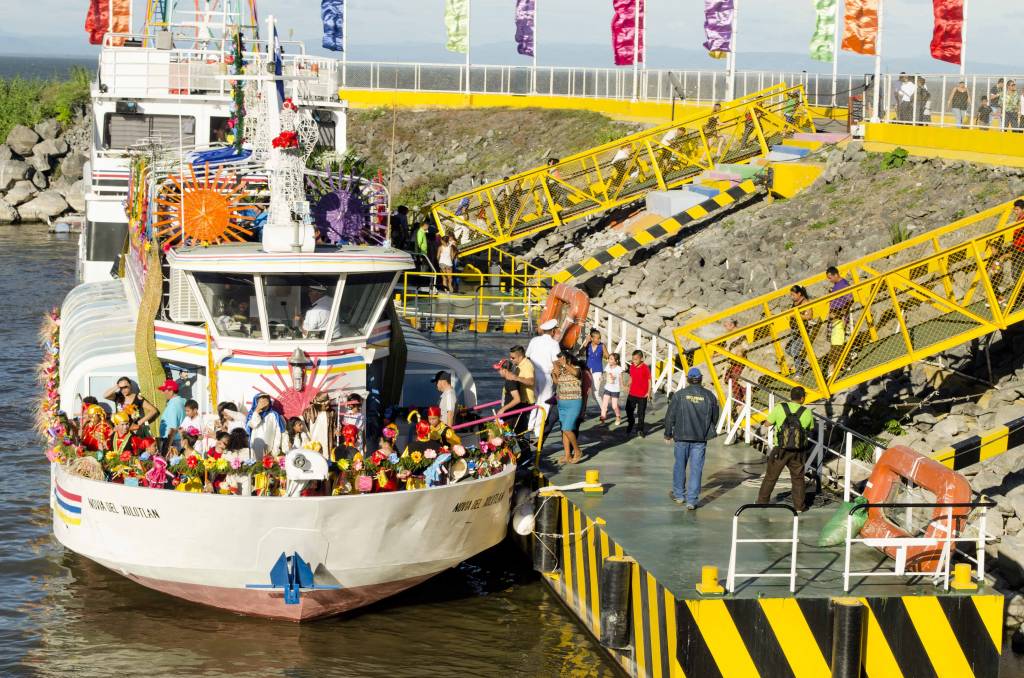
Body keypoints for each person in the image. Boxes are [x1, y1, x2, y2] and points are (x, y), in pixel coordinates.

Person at [664, 368, 720, 509]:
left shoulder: (679, 395)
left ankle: (679, 495)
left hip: (682, 436)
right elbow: (715, 417)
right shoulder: (710, 396)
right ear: (701, 379)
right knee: (696, 469)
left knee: (679, 466)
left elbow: (670, 416)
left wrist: (668, 433)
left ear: (688, 379)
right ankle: (692, 501)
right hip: (700, 438)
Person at [756, 386, 815, 512]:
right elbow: (810, 429)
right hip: (798, 452)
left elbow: (767, 424)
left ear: (790, 396)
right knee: (798, 478)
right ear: (802, 398)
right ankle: (799, 507)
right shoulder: (807, 412)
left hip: (780, 450)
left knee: (771, 476)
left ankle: (762, 502)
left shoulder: (779, 408)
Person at [526, 319, 562, 438]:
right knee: (545, 403)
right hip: (546, 376)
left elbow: (528, 357)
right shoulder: (554, 344)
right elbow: (556, 362)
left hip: (532, 374)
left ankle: (530, 425)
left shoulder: (534, 340)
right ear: (552, 331)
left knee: (534, 400)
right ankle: (538, 430)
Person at [499, 345, 536, 454]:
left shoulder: (527, 365)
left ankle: (525, 454)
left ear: (520, 356)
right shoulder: (519, 366)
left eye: (513, 358)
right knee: (519, 430)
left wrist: (516, 378)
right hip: (521, 402)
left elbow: (531, 382)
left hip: (526, 402)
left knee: (523, 431)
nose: (511, 359)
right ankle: (522, 454)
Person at [551, 351, 583, 464]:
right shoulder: (562, 371)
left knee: (567, 428)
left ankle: (577, 451)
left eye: (561, 359)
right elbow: (556, 382)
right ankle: (567, 455)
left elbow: (576, 374)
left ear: (566, 359)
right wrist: (554, 372)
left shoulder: (577, 367)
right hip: (562, 404)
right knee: (564, 430)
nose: (559, 361)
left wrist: (564, 365)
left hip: (574, 403)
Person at [245, 393, 285, 457]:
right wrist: (257, 412)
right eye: (261, 401)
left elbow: (278, 433)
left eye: (266, 401)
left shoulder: (274, 415)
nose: (264, 403)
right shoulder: (251, 415)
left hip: (269, 448)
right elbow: (252, 426)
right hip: (255, 448)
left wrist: (275, 449)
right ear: (256, 402)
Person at [624, 350, 652, 437]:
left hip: (642, 395)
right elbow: (631, 377)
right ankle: (631, 422)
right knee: (628, 409)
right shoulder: (632, 367)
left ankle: (640, 430)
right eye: (633, 359)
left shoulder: (645, 368)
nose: (634, 361)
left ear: (641, 359)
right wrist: (627, 384)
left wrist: (649, 393)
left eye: (636, 359)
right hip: (632, 393)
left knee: (641, 413)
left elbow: (649, 381)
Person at [157, 378, 185, 450]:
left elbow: (173, 428)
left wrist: (166, 447)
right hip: (179, 439)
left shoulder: (173, 405)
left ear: (171, 391)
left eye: (164, 390)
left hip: (172, 442)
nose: (162, 393)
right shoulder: (182, 401)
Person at [583, 329, 605, 416]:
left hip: (598, 371)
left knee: (595, 393)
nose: (599, 340)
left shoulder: (602, 346)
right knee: (586, 392)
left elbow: (608, 356)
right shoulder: (587, 345)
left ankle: (604, 409)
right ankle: (583, 412)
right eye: (597, 338)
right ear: (591, 338)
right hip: (588, 371)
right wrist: (586, 342)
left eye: (600, 338)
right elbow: (580, 353)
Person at [600, 352, 624, 428]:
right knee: (604, 405)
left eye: (611, 359)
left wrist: (622, 386)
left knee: (614, 406)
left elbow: (620, 379)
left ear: (616, 361)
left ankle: (618, 416)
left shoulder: (619, 369)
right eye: (609, 359)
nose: (609, 360)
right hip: (607, 388)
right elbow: (605, 375)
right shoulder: (607, 366)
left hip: (615, 390)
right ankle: (603, 419)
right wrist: (602, 378)